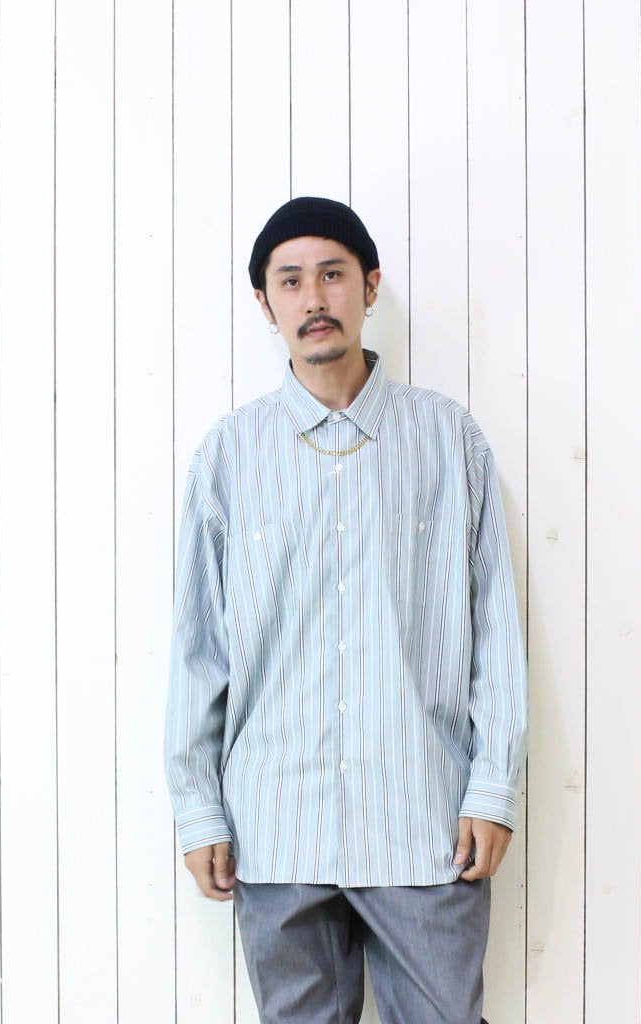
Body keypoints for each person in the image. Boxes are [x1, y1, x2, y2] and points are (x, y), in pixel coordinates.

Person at [164, 196, 528, 1024]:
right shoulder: (229, 456)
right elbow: (199, 648)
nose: (313, 298)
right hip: (275, 830)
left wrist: (493, 787)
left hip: (423, 827)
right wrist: (198, 806)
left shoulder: (448, 442)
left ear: (369, 287)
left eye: (332, 275)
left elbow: (496, 632)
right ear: (266, 303)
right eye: (290, 281)